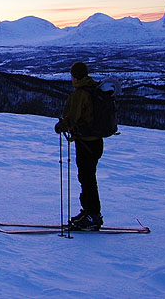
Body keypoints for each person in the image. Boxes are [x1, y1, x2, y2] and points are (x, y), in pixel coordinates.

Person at [54, 61, 104, 231]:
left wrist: (62, 125)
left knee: (87, 179)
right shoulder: (93, 89)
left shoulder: (80, 94)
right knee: (88, 177)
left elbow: (72, 119)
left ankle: (93, 216)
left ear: (75, 77)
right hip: (96, 142)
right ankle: (89, 212)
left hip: (86, 143)